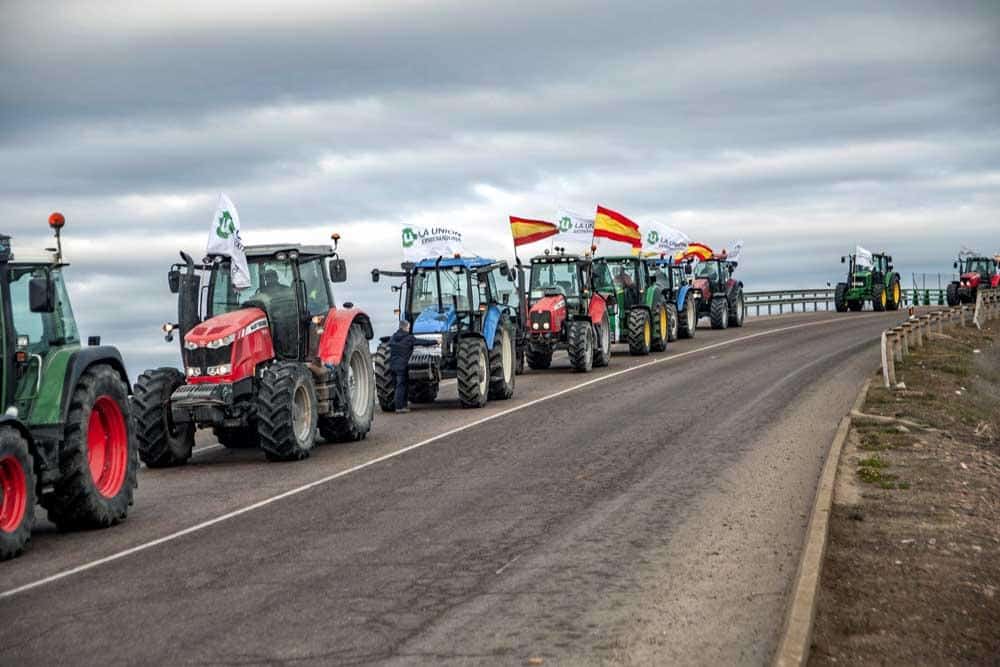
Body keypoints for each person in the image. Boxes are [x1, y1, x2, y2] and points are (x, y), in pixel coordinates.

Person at [388, 320, 436, 413]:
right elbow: (422, 342)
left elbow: (390, 344)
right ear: (406, 327)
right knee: (401, 386)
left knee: (396, 386)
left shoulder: (393, 337)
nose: (409, 329)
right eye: (409, 327)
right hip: (402, 366)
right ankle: (399, 407)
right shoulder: (409, 338)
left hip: (392, 365)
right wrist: (435, 341)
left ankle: (402, 405)